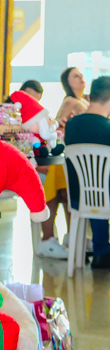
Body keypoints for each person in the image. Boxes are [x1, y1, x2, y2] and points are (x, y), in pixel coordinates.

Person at [37, 68, 90, 257]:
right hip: (66, 155)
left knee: (66, 190)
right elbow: (58, 128)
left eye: (81, 74)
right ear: (67, 82)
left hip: (74, 156)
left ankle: (71, 236)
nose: (80, 78)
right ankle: (58, 237)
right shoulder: (71, 102)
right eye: (75, 76)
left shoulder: (84, 101)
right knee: (63, 189)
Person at [64, 75, 110, 270]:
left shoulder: (71, 126)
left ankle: (102, 252)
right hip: (106, 198)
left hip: (78, 198)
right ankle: (102, 252)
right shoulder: (107, 128)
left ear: (90, 96)